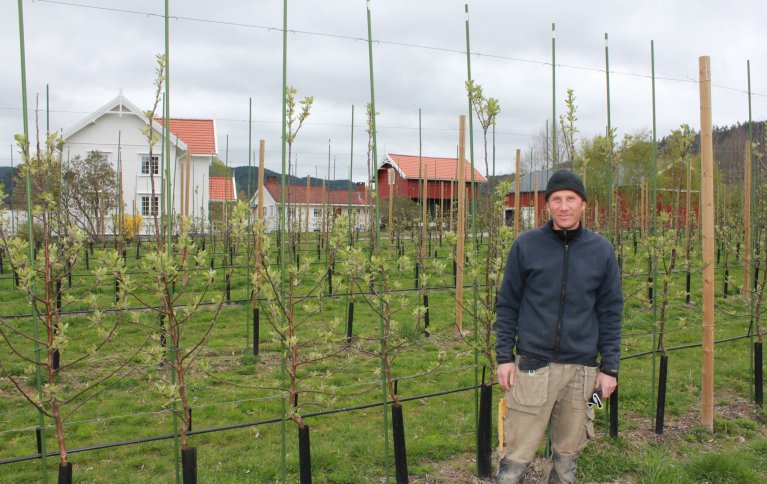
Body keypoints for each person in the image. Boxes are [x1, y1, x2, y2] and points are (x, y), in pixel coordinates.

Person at [494, 169, 623, 484]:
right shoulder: (526, 246)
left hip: (582, 374)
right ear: (547, 205)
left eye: (570, 199)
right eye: (556, 199)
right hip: (533, 369)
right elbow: (508, 303)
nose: (563, 206)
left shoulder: (602, 251)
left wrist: (610, 369)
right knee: (513, 462)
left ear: (583, 204)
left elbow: (610, 312)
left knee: (567, 461)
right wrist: (504, 357)